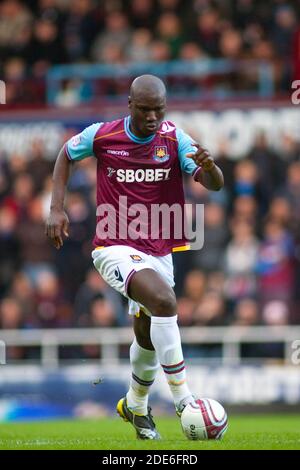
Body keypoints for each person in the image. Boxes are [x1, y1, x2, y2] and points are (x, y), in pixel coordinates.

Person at [45, 74, 224, 440]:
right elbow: (66, 154)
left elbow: (216, 183)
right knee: (165, 301)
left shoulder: (175, 139)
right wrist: (56, 208)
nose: (152, 117)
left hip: (158, 250)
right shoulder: (103, 135)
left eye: (158, 109)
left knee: (147, 333)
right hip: (112, 245)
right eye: (144, 109)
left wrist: (210, 168)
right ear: (130, 105)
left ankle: (135, 405)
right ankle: (183, 400)